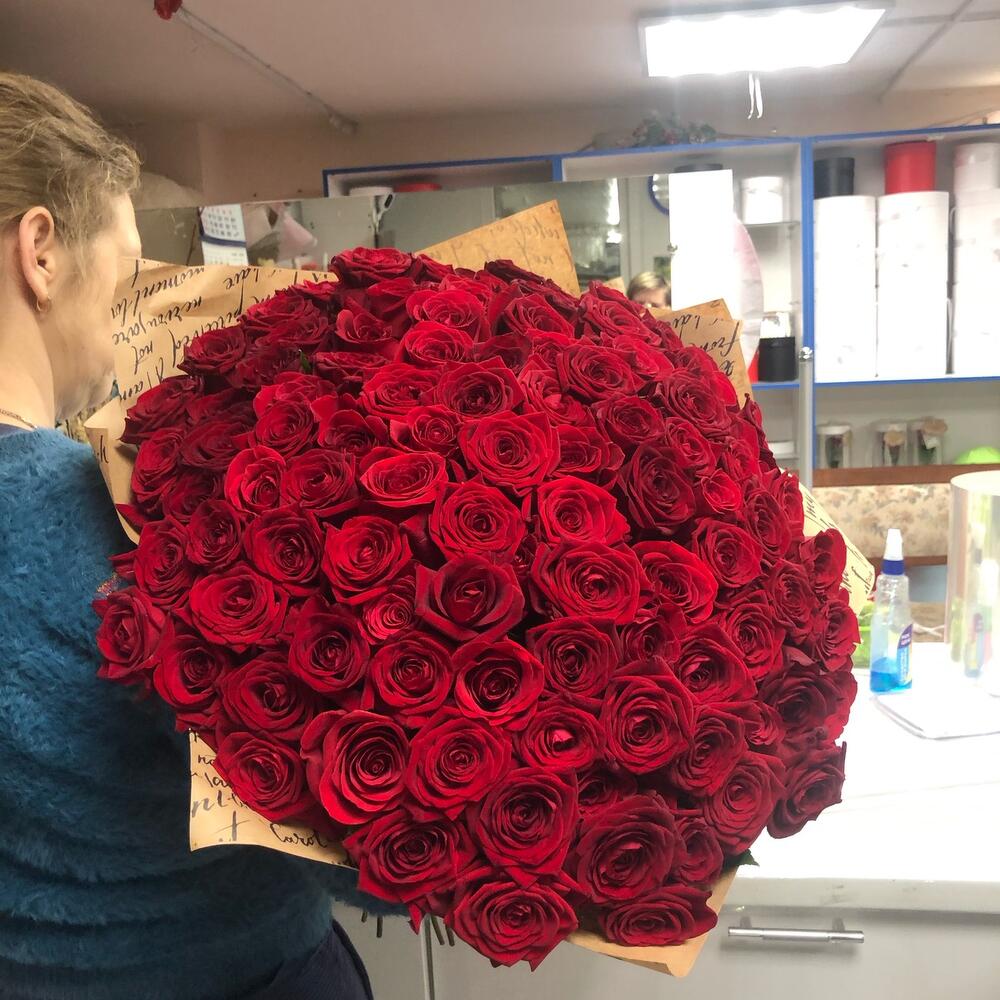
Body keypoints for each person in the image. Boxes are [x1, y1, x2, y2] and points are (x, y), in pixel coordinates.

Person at [0, 72, 381, 1000]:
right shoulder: (93, 513)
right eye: (128, 266)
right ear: (40, 252)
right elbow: (333, 825)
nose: (133, 305)